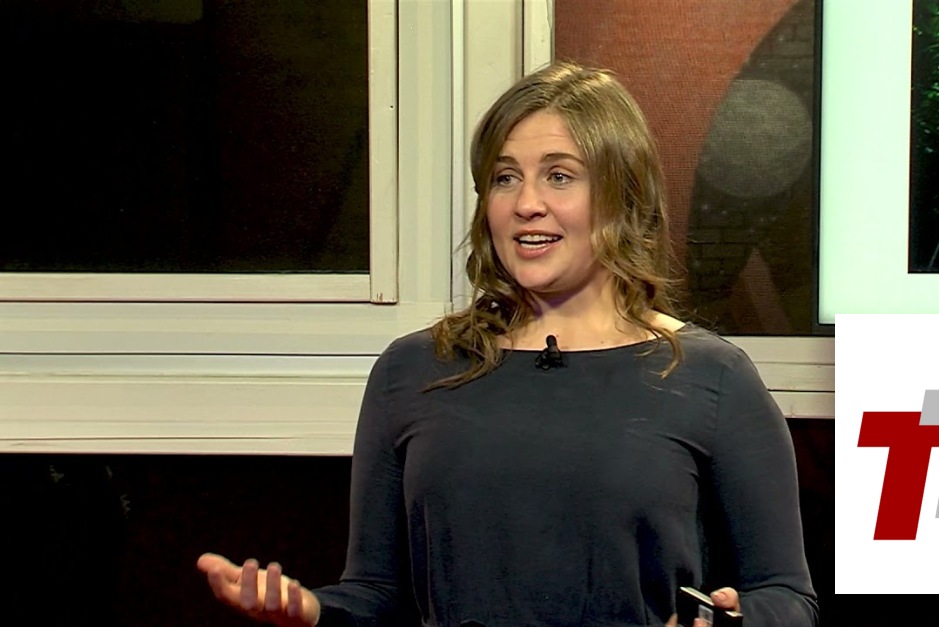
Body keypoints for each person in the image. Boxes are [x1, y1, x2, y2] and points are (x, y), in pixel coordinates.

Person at [197, 60, 818, 627]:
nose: (526, 204)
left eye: (559, 176)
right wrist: (311, 612)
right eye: (505, 178)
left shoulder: (711, 378)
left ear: (622, 196)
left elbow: (788, 598)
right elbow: (376, 595)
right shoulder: (414, 371)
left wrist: (735, 620)